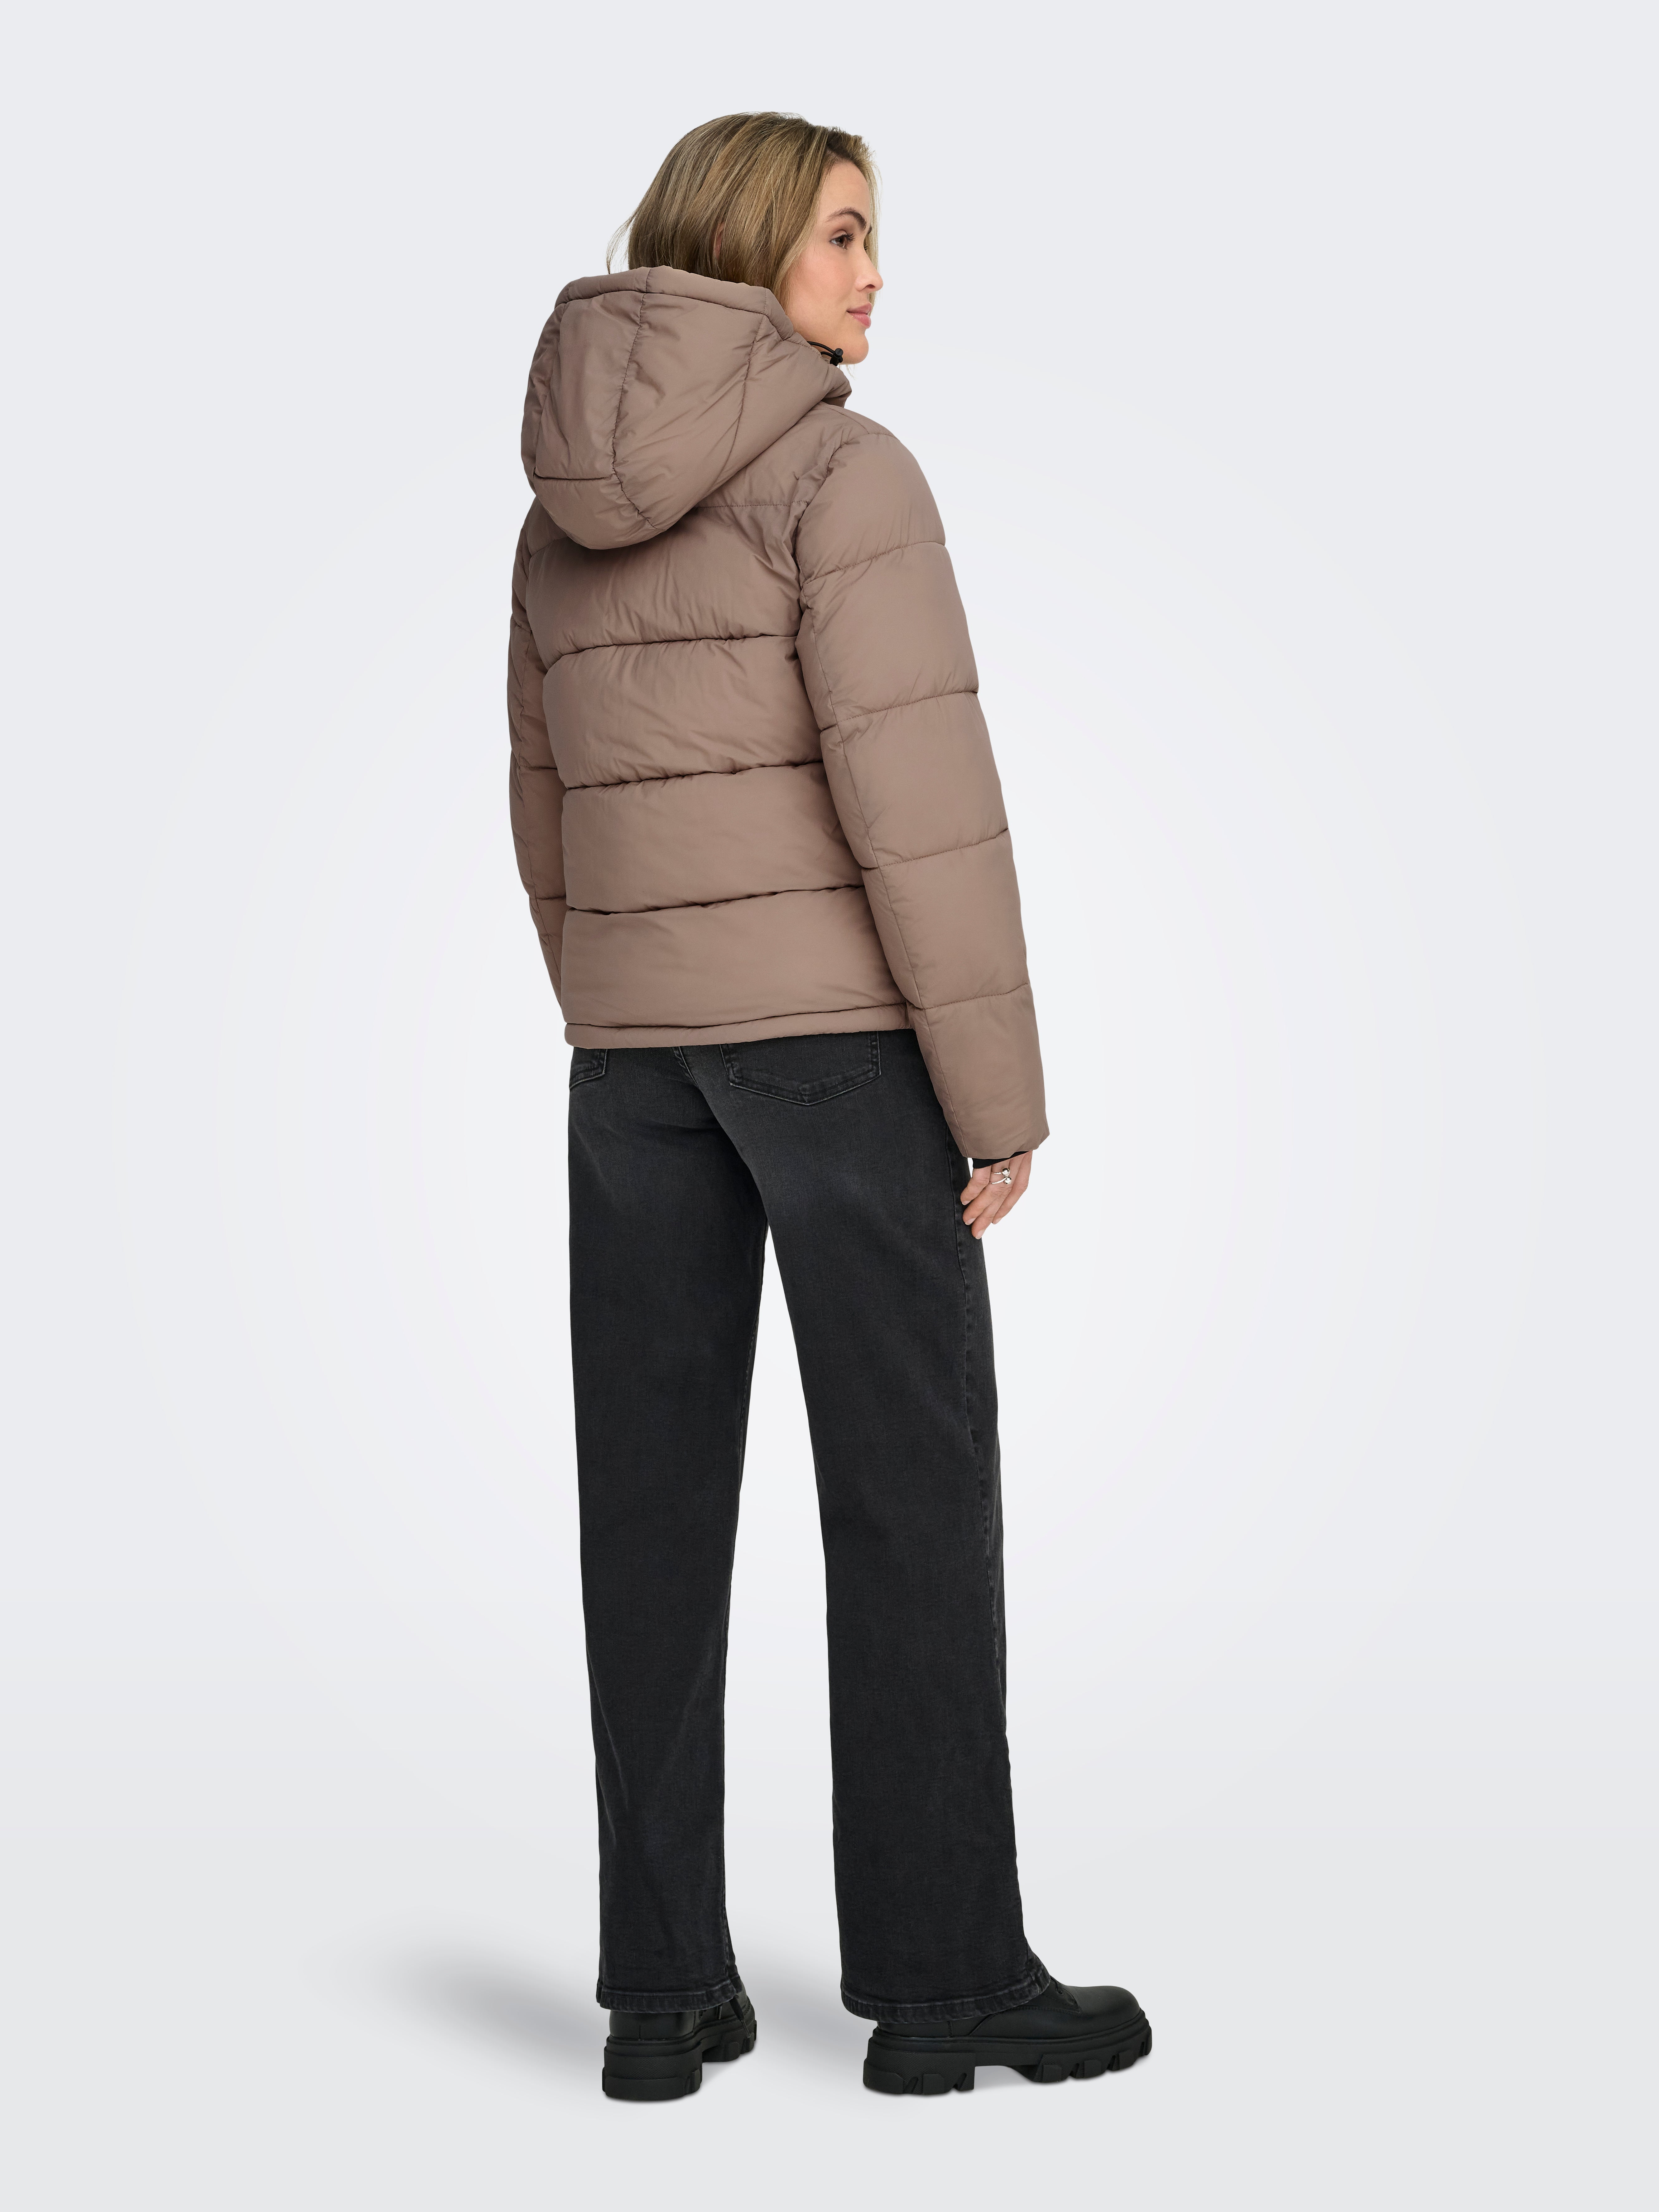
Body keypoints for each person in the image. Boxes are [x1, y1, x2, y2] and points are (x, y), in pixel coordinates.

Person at [507, 111, 1150, 2101]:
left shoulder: (558, 503)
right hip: (843, 1052)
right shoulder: (841, 472)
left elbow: (542, 800)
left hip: (634, 1064)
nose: (875, 277)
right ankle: (944, 1979)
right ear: (752, 245)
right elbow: (920, 805)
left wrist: (618, 998)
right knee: (907, 1496)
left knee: (647, 1507)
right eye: (847, 234)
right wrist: (996, 1098)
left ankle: (660, 1990)